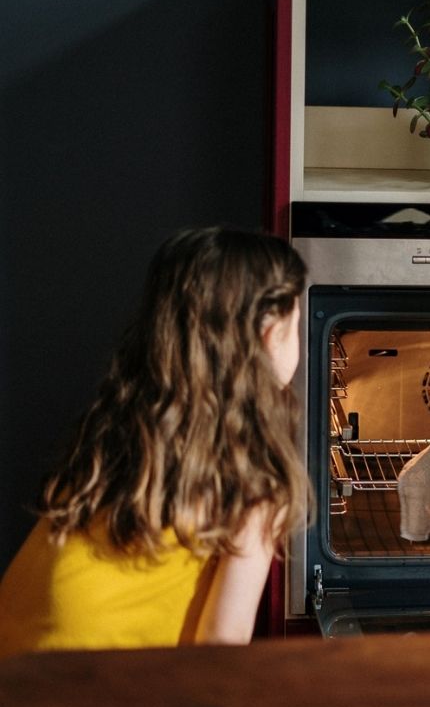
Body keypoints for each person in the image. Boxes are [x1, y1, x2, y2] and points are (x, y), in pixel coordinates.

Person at [0, 227, 309, 656]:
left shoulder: (121, 424)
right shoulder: (255, 477)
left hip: (18, 662)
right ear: (269, 334)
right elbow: (221, 644)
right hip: (92, 696)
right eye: (296, 321)